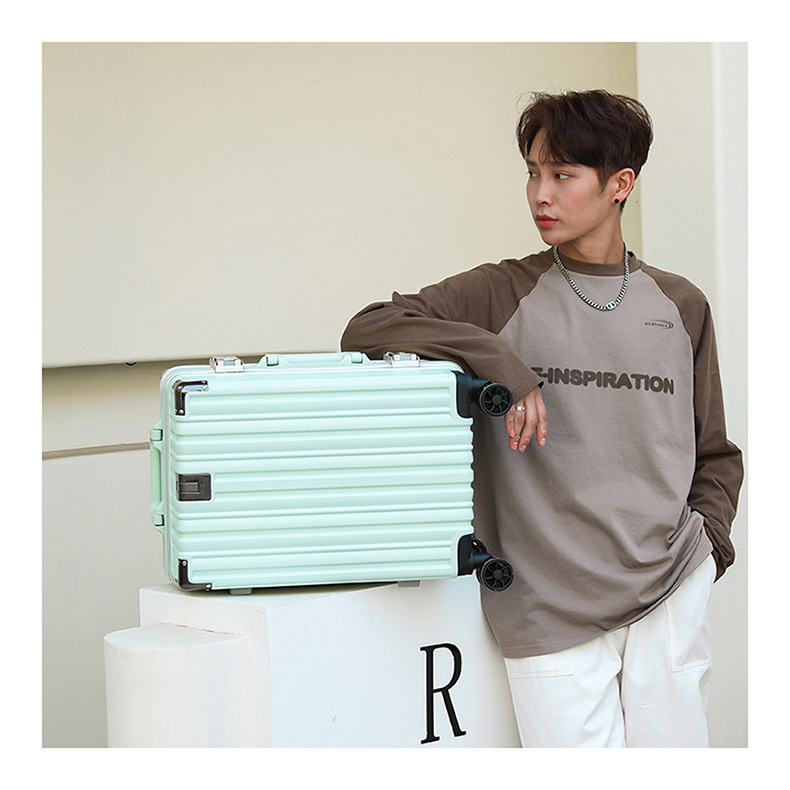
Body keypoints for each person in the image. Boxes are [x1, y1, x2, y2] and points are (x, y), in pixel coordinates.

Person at [340, 89, 742, 748]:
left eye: (562, 175)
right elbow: (369, 327)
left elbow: (714, 451)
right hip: (549, 605)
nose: (540, 195)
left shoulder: (680, 304)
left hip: (669, 589)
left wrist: (709, 551)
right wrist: (500, 359)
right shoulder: (501, 292)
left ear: (620, 185)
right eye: (532, 173)